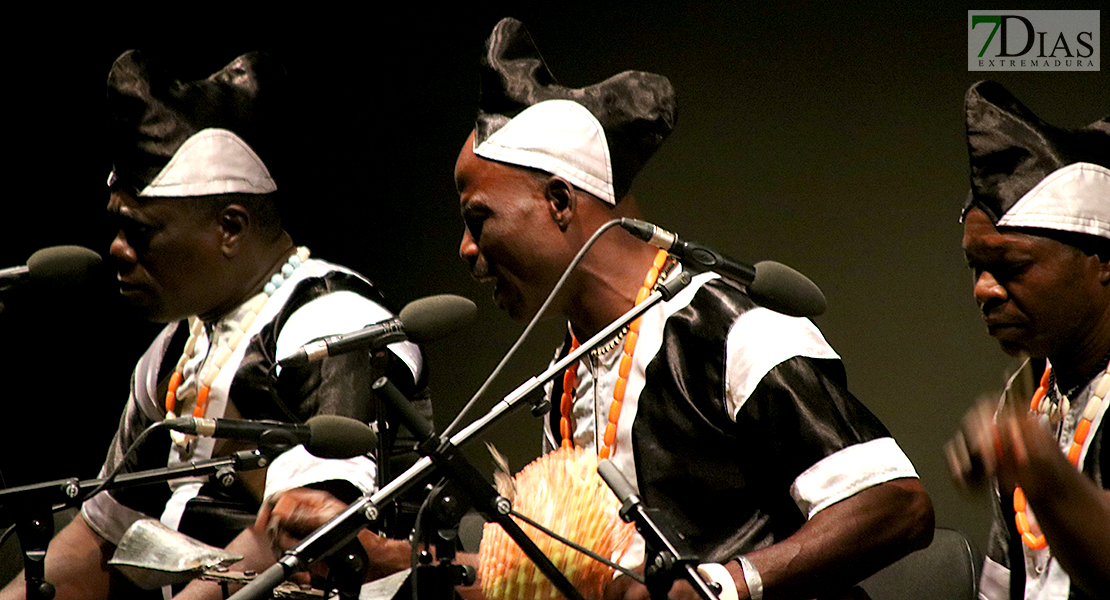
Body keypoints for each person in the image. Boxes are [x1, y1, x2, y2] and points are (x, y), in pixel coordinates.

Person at [453, 18, 934, 600]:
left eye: (479, 219)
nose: (466, 251)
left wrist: (728, 585)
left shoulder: (732, 332)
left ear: (559, 200)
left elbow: (896, 505)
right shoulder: (569, 371)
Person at [0, 50, 426, 600]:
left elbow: (300, 536)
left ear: (230, 227)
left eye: (141, 230)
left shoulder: (334, 324)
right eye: (116, 226)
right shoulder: (176, 348)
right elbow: (102, 537)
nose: (117, 250)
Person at [945, 81, 1110, 600]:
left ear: (1101, 263)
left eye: (1010, 266)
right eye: (976, 267)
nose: (984, 290)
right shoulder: (1029, 399)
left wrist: (1043, 471)